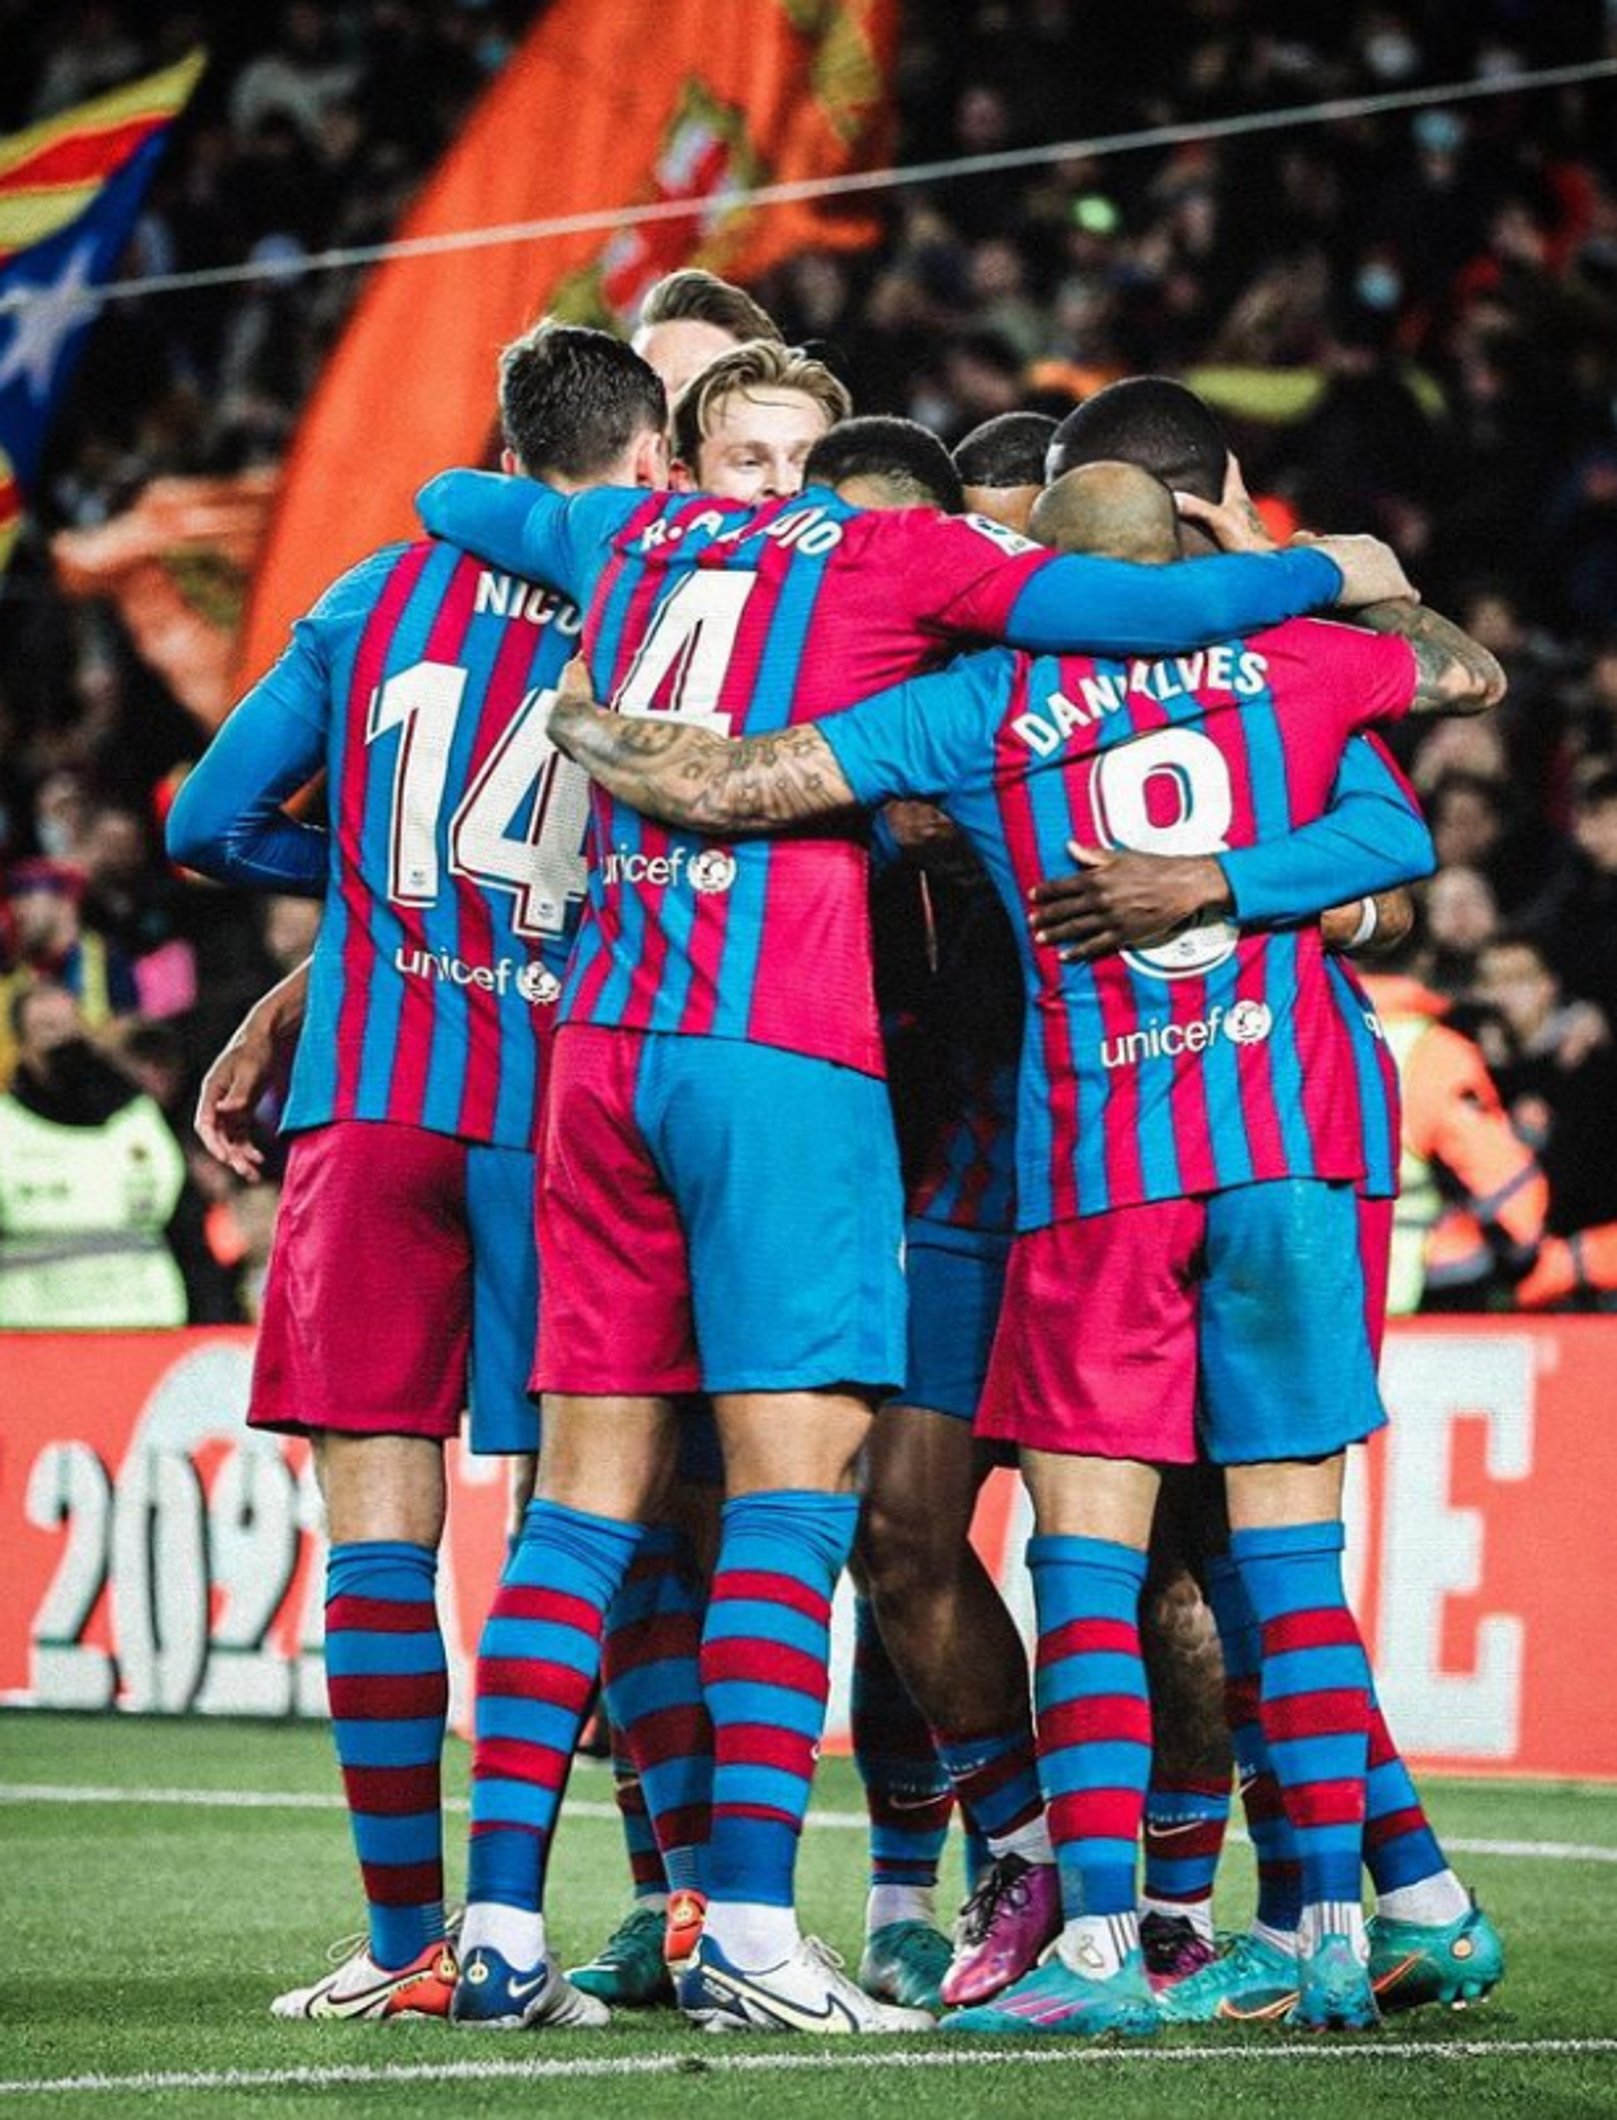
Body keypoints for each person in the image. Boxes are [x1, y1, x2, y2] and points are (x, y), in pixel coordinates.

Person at [416, 367, 1411, 2035]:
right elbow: (1398, 683)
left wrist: (595, 716)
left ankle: (1250, 1907)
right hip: (900, 1127)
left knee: (1177, 1567)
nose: (781, 492)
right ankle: (907, 1889)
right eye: (754, 457)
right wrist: (1322, 562)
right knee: (878, 1526)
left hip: (759, 1076)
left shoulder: (683, 558)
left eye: (788, 458)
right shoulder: (920, 610)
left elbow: (471, 507)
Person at [166, 322, 669, 2030]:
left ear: (502, 440)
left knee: (377, 1538)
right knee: (580, 1526)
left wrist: (371, 872)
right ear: (646, 452)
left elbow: (206, 823)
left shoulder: (375, 594)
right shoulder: (662, 590)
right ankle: (568, 1921)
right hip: (560, 1110)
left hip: (370, 1104)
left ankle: (407, 1946)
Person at [0, 981, 193, 1328]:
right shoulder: (6, 1128)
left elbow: (186, 1228)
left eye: (69, 1026)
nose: (62, 1040)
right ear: (22, 1046)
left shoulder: (139, 1120)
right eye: (46, 1029)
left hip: (144, 1324)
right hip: (33, 1333)